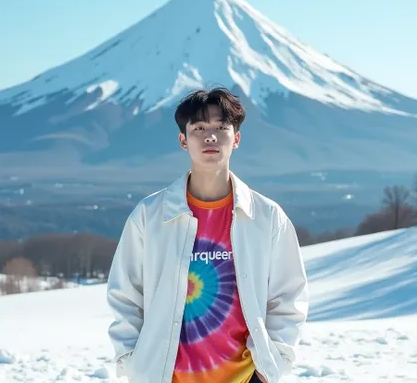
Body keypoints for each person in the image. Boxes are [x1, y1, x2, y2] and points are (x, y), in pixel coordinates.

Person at [107, 87, 308, 383]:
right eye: (199, 128)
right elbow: (125, 294)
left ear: (236, 139)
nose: (210, 136)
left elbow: (289, 296)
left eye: (221, 127)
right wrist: (133, 363)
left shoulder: (267, 216)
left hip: (248, 378)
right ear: (183, 140)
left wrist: (274, 363)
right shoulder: (150, 215)